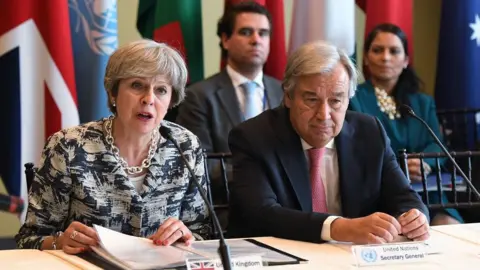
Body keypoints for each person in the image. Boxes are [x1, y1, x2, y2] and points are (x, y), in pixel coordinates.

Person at [15, 39, 210, 253]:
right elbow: (29, 240)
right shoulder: (69, 146)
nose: (148, 99)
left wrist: (186, 235)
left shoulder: (185, 145)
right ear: (113, 92)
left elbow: (202, 233)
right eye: (137, 85)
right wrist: (59, 242)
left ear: (172, 100)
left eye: (161, 90)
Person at [227, 40, 429, 244]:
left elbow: (405, 198)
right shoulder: (254, 137)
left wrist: (415, 218)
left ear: (348, 100)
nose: (323, 115)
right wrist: (338, 227)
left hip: (354, 258)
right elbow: (262, 215)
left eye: (335, 101)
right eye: (312, 100)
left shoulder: (369, 132)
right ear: (288, 97)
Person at [175, 1, 283, 227]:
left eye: (263, 33)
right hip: (226, 216)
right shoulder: (198, 96)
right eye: (246, 32)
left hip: (283, 212)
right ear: (225, 40)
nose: (256, 40)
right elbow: (200, 166)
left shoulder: (285, 93)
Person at [348, 23, 463, 225]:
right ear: (365, 57)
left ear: (405, 61)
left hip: (426, 190)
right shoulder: (353, 98)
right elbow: (355, 148)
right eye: (377, 50)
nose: (385, 57)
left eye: (394, 51)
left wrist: (424, 164)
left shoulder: (422, 102)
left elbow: (438, 144)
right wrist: (400, 166)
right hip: (379, 191)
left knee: (450, 228)